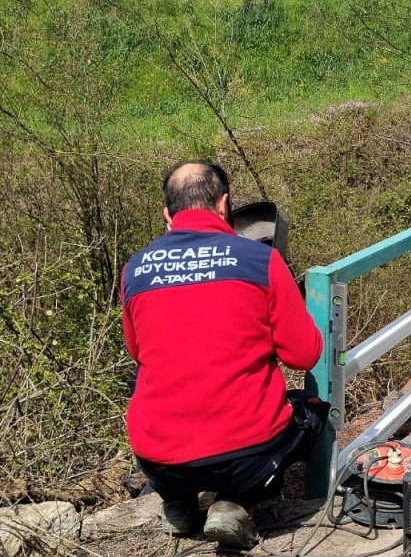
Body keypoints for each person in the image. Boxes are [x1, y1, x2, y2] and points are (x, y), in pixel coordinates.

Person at [121, 160, 324, 549]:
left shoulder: (135, 269)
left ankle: (178, 505)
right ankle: (235, 503)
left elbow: (137, 350)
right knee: (310, 412)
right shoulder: (259, 260)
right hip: (244, 460)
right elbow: (304, 355)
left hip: (159, 461)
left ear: (167, 214)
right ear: (224, 204)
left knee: (149, 393)